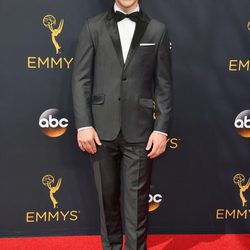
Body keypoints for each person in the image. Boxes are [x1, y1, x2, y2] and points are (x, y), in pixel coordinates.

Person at [71, 0, 172, 249]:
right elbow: (81, 79)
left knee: (137, 205)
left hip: (140, 131)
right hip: (100, 131)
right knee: (107, 203)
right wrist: (83, 125)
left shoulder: (157, 30)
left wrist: (161, 128)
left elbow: (164, 86)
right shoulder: (92, 27)